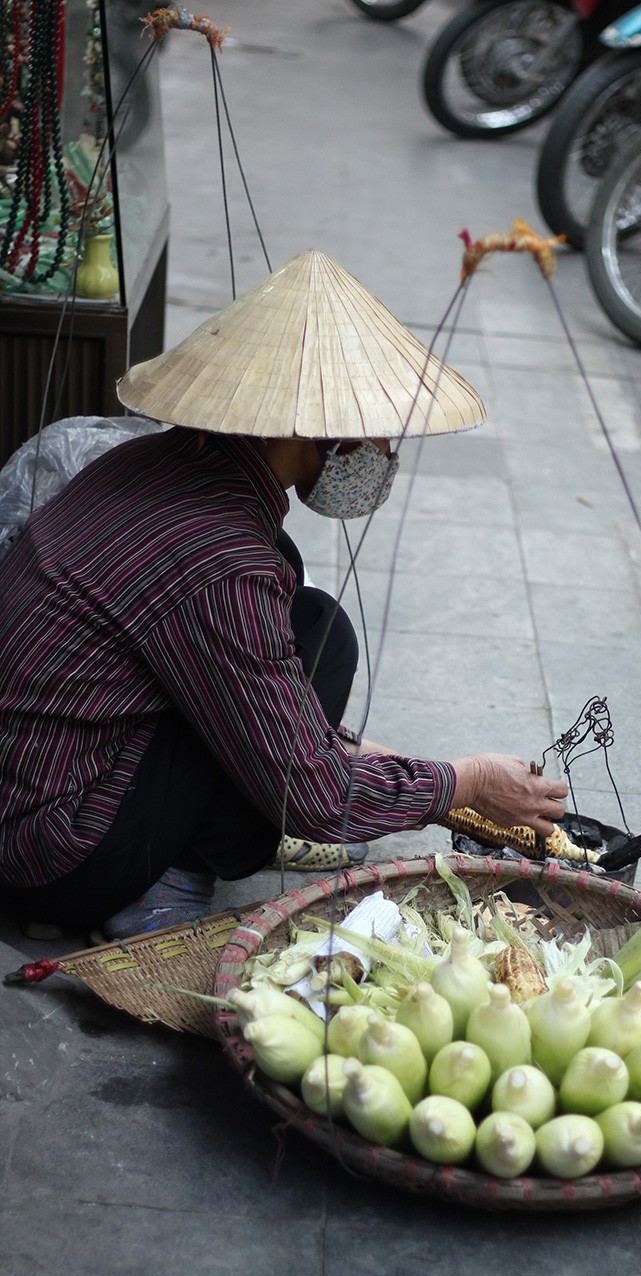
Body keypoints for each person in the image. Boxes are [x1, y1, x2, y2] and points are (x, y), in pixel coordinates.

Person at [0, 249, 568, 939]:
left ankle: (203, 836)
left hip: (31, 784)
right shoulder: (222, 561)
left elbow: (266, 696)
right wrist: (466, 783)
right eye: (377, 429)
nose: (384, 449)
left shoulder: (161, 461)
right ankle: (168, 877)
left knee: (310, 620)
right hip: (51, 849)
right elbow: (313, 794)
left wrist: (394, 773)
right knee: (312, 666)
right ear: (318, 431)